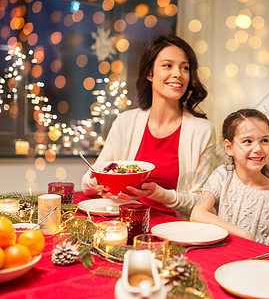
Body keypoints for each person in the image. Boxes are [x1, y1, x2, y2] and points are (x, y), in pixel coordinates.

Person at [82, 35, 216, 220]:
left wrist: (157, 193)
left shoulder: (203, 131)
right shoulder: (125, 122)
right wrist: (101, 183)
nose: (178, 73)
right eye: (168, 65)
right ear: (149, 73)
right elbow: (90, 180)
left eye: (185, 68)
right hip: (126, 221)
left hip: (177, 229)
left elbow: (202, 202)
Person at [191, 109, 269, 246]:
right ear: (229, 148)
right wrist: (244, 234)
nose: (258, 148)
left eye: (264, 140)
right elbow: (197, 214)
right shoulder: (222, 176)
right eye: (248, 141)